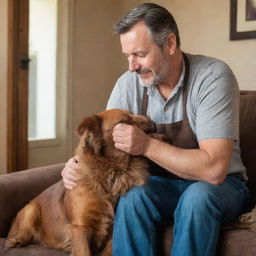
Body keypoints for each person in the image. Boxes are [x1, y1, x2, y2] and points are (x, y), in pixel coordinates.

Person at [62, 3, 249, 256]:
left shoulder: (213, 77)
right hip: (161, 184)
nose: (132, 66)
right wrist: (75, 164)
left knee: (197, 198)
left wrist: (147, 145)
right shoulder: (128, 84)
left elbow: (215, 170)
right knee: (133, 198)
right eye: (127, 56)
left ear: (169, 44)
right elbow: (102, 142)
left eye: (139, 54)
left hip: (221, 186)